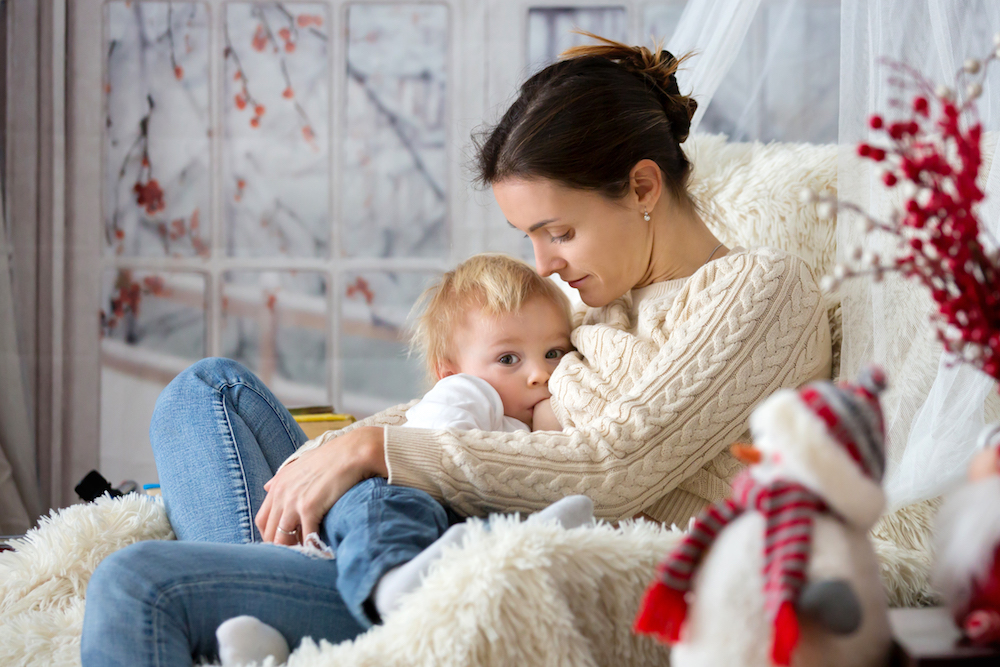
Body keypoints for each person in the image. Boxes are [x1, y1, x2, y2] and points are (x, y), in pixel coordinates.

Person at [81, 34, 831, 667]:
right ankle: (281, 597)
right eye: (530, 238)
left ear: (642, 186)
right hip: (424, 531)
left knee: (137, 583)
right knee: (205, 390)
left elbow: (618, 466)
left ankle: (281, 599)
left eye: (559, 232)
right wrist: (350, 446)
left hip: (503, 568)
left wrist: (382, 450)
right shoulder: (591, 297)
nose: (542, 264)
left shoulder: (757, 290)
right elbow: (464, 401)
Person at [215, 253, 595, 666]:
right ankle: (394, 579)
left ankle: (277, 643)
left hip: (401, 537)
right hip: (396, 502)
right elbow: (436, 449)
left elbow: (560, 459)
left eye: (554, 353)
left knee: (474, 530)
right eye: (508, 359)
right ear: (451, 373)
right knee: (384, 501)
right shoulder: (469, 392)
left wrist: (546, 415)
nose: (539, 374)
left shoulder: (527, 409)